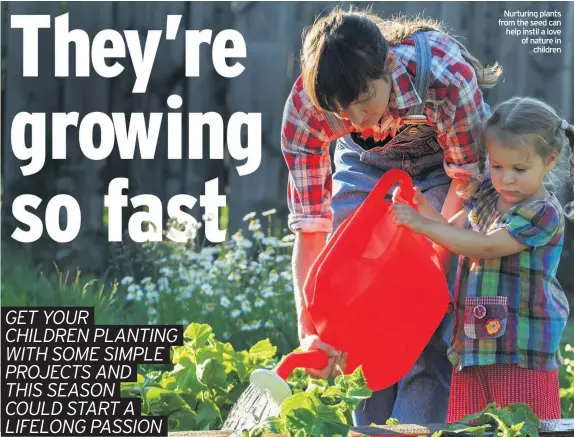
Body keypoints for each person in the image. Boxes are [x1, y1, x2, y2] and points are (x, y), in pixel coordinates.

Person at [280, 6, 503, 425]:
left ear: (388, 64)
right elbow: (312, 230)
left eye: (364, 100)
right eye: (342, 112)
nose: (358, 119)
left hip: (447, 168)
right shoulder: (307, 112)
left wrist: (422, 279)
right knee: (349, 298)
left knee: (428, 317)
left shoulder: (444, 77)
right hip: (366, 164)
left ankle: (414, 425)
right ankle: (367, 424)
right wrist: (311, 329)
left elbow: (465, 181)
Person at [391, 96, 573, 421]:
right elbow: (452, 229)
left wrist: (421, 225)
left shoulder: (541, 213)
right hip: (475, 345)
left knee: (523, 425)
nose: (506, 179)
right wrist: (421, 208)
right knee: (471, 425)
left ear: (550, 160)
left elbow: (484, 246)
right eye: (497, 166)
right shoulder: (489, 195)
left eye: (519, 169)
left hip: (520, 351)